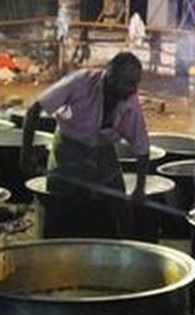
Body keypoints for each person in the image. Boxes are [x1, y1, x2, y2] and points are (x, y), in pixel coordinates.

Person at [20, 51, 149, 238]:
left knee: (119, 205)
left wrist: (140, 188)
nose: (134, 89)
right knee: (62, 205)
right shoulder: (80, 82)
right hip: (68, 146)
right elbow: (34, 110)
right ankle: (55, 250)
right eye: (129, 83)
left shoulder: (130, 102)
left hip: (103, 151)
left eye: (136, 83)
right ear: (111, 78)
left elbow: (142, 146)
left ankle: (117, 251)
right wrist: (26, 153)